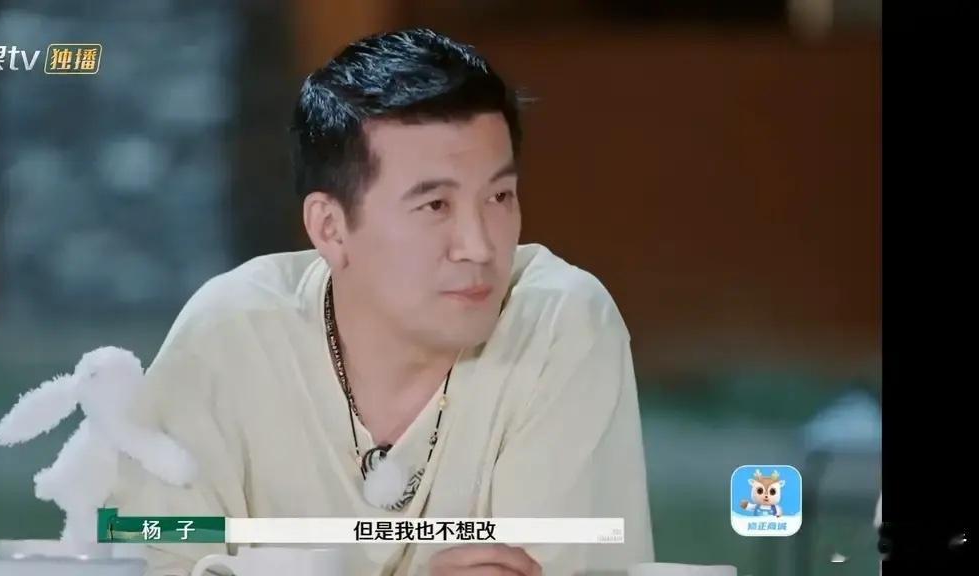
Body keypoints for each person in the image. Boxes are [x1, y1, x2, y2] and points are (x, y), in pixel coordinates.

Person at [109, 27, 654, 576]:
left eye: (499, 196)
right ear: (330, 227)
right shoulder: (230, 337)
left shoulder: (558, 323)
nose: (479, 245)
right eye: (435, 205)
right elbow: (146, 561)